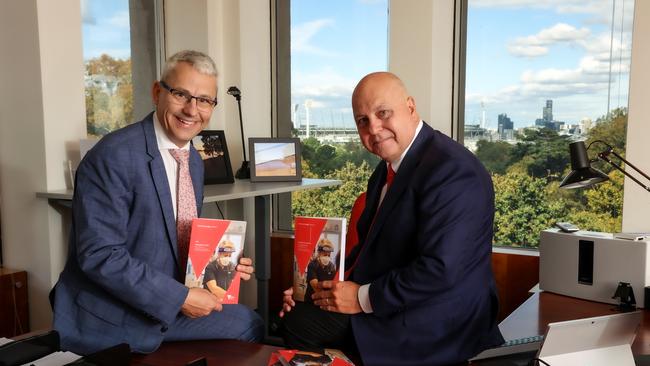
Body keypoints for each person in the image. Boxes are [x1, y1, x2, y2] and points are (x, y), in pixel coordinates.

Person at [280, 72, 504, 365]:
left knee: (302, 323)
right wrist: (318, 285)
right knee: (299, 310)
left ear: (410, 108)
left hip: (440, 318)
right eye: (362, 120)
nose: (373, 128)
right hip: (403, 299)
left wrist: (360, 298)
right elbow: (370, 253)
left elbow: (440, 270)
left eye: (383, 113)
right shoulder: (389, 167)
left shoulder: (453, 171)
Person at [51, 50, 263, 355]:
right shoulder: (113, 156)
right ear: (157, 92)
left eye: (204, 100)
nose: (192, 110)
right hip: (112, 313)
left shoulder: (194, 163)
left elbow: (178, 242)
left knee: (248, 321)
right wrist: (180, 298)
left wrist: (220, 263)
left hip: (161, 299)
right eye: (181, 94)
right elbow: (100, 255)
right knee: (245, 325)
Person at [303, 239, 337, 304]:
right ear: (319, 252)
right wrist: (328, 298)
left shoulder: (331, 266)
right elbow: (315, 287)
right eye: (324, 255)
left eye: (328, 255)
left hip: (325, 301)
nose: (327, 257)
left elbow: (333, 284)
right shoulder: (313, 265)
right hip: (311, 301)